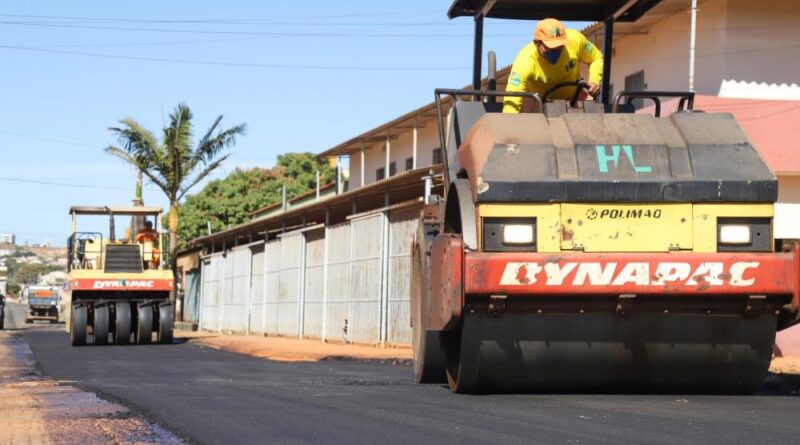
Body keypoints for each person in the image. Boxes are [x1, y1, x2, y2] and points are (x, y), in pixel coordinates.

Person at [503, 18, 604, 113]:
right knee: (524, 111)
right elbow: (512, 99)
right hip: (539, 101)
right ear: (537, 43)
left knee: (591, 107)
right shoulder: (525, 62)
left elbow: (596, 57)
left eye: (559, 47)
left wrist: (594, 80)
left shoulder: (575, 40)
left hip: (572, 98)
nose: (556, 51)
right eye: (550, 48)